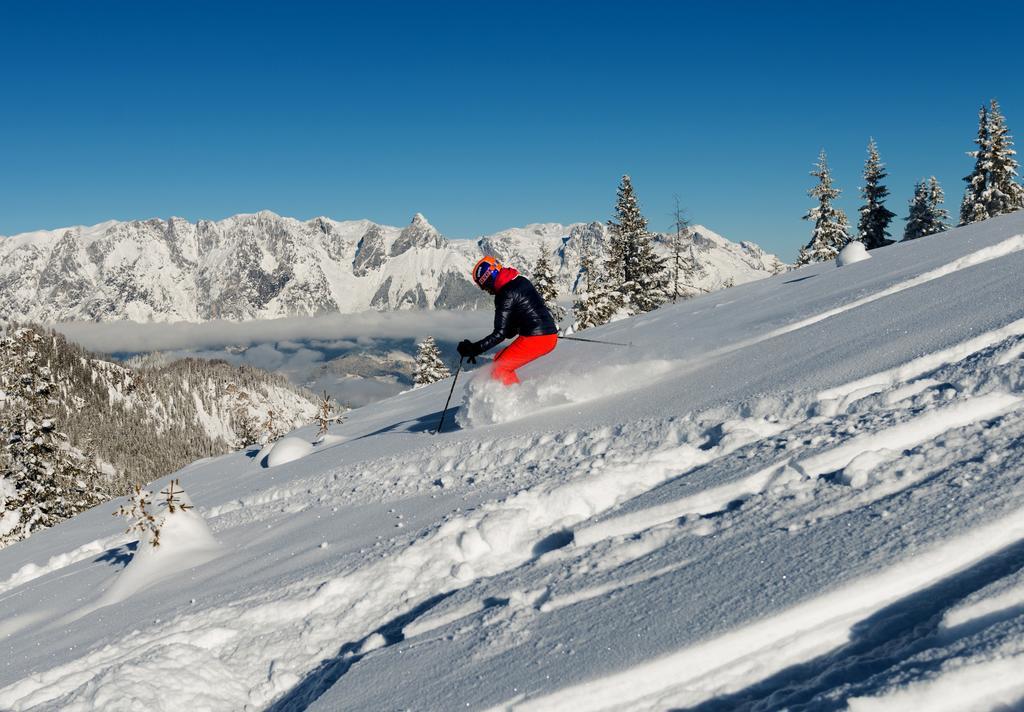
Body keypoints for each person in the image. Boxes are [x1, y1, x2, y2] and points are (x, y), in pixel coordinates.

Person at [457, 256, 558, 385]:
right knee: (499, 358)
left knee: (499, 367)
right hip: (546, 334)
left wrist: (474, 349)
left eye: (484, 287)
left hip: (538, 338)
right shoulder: (520, 280)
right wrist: (514, 327)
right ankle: (513, 392)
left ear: (488, 279)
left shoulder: (505, 294)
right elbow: (529, 309)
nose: (487, 291)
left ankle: (516, 400)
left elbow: (500, 334)